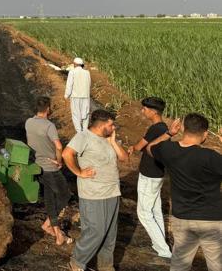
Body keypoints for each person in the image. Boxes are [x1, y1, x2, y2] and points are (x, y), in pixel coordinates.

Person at [147, 114, 222, 271]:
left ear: (182, 129)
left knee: (180, 265)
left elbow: (149, 148)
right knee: (217, 264)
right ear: (205, 134)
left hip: (182, 217)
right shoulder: (211, 157)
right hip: (212, 219)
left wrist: (169, 134)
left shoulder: (169, 150)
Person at [63, 108, 129, 271]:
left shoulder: (107, 139)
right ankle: (77, 263)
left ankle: (105, 266)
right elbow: (66, 154)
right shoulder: (83, 137)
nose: (114, 128)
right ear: (103, 125)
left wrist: (113, 142)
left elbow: (124, 158)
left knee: (109, 235)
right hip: (93, 194)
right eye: (111, 125)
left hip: (112, 193)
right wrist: (79, 172)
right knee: (95, 232)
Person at [127, 96, 172, 260]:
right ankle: (160, 244)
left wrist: (132, 147)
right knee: (155, 210)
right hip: (157, 173)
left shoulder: (156, 129)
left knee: (144, 213)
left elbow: (140, 146)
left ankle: (163, 250)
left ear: (153, 112)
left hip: (149, 174)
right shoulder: (163, 127)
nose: (142, 111)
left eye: (144, 109)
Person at [25, 96, 72, 245]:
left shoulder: (28, 122)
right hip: (50, 167)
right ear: (48, 109)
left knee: (50, 197)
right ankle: (52, 226)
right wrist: (59, 161)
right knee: (64, 195)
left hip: (37, 165)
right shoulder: (49, 126)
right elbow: (59, 146)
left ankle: (52, 227)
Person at [65, 57, 91, 133]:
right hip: (85, 96)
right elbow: (89, 84)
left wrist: (66, 95)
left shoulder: (72, 72)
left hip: (75, 96)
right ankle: (85, 130)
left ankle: (79, 132)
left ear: (75, 64)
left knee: (76, 114)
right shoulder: (87, 72)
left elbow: (69, 85)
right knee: (85, 113)